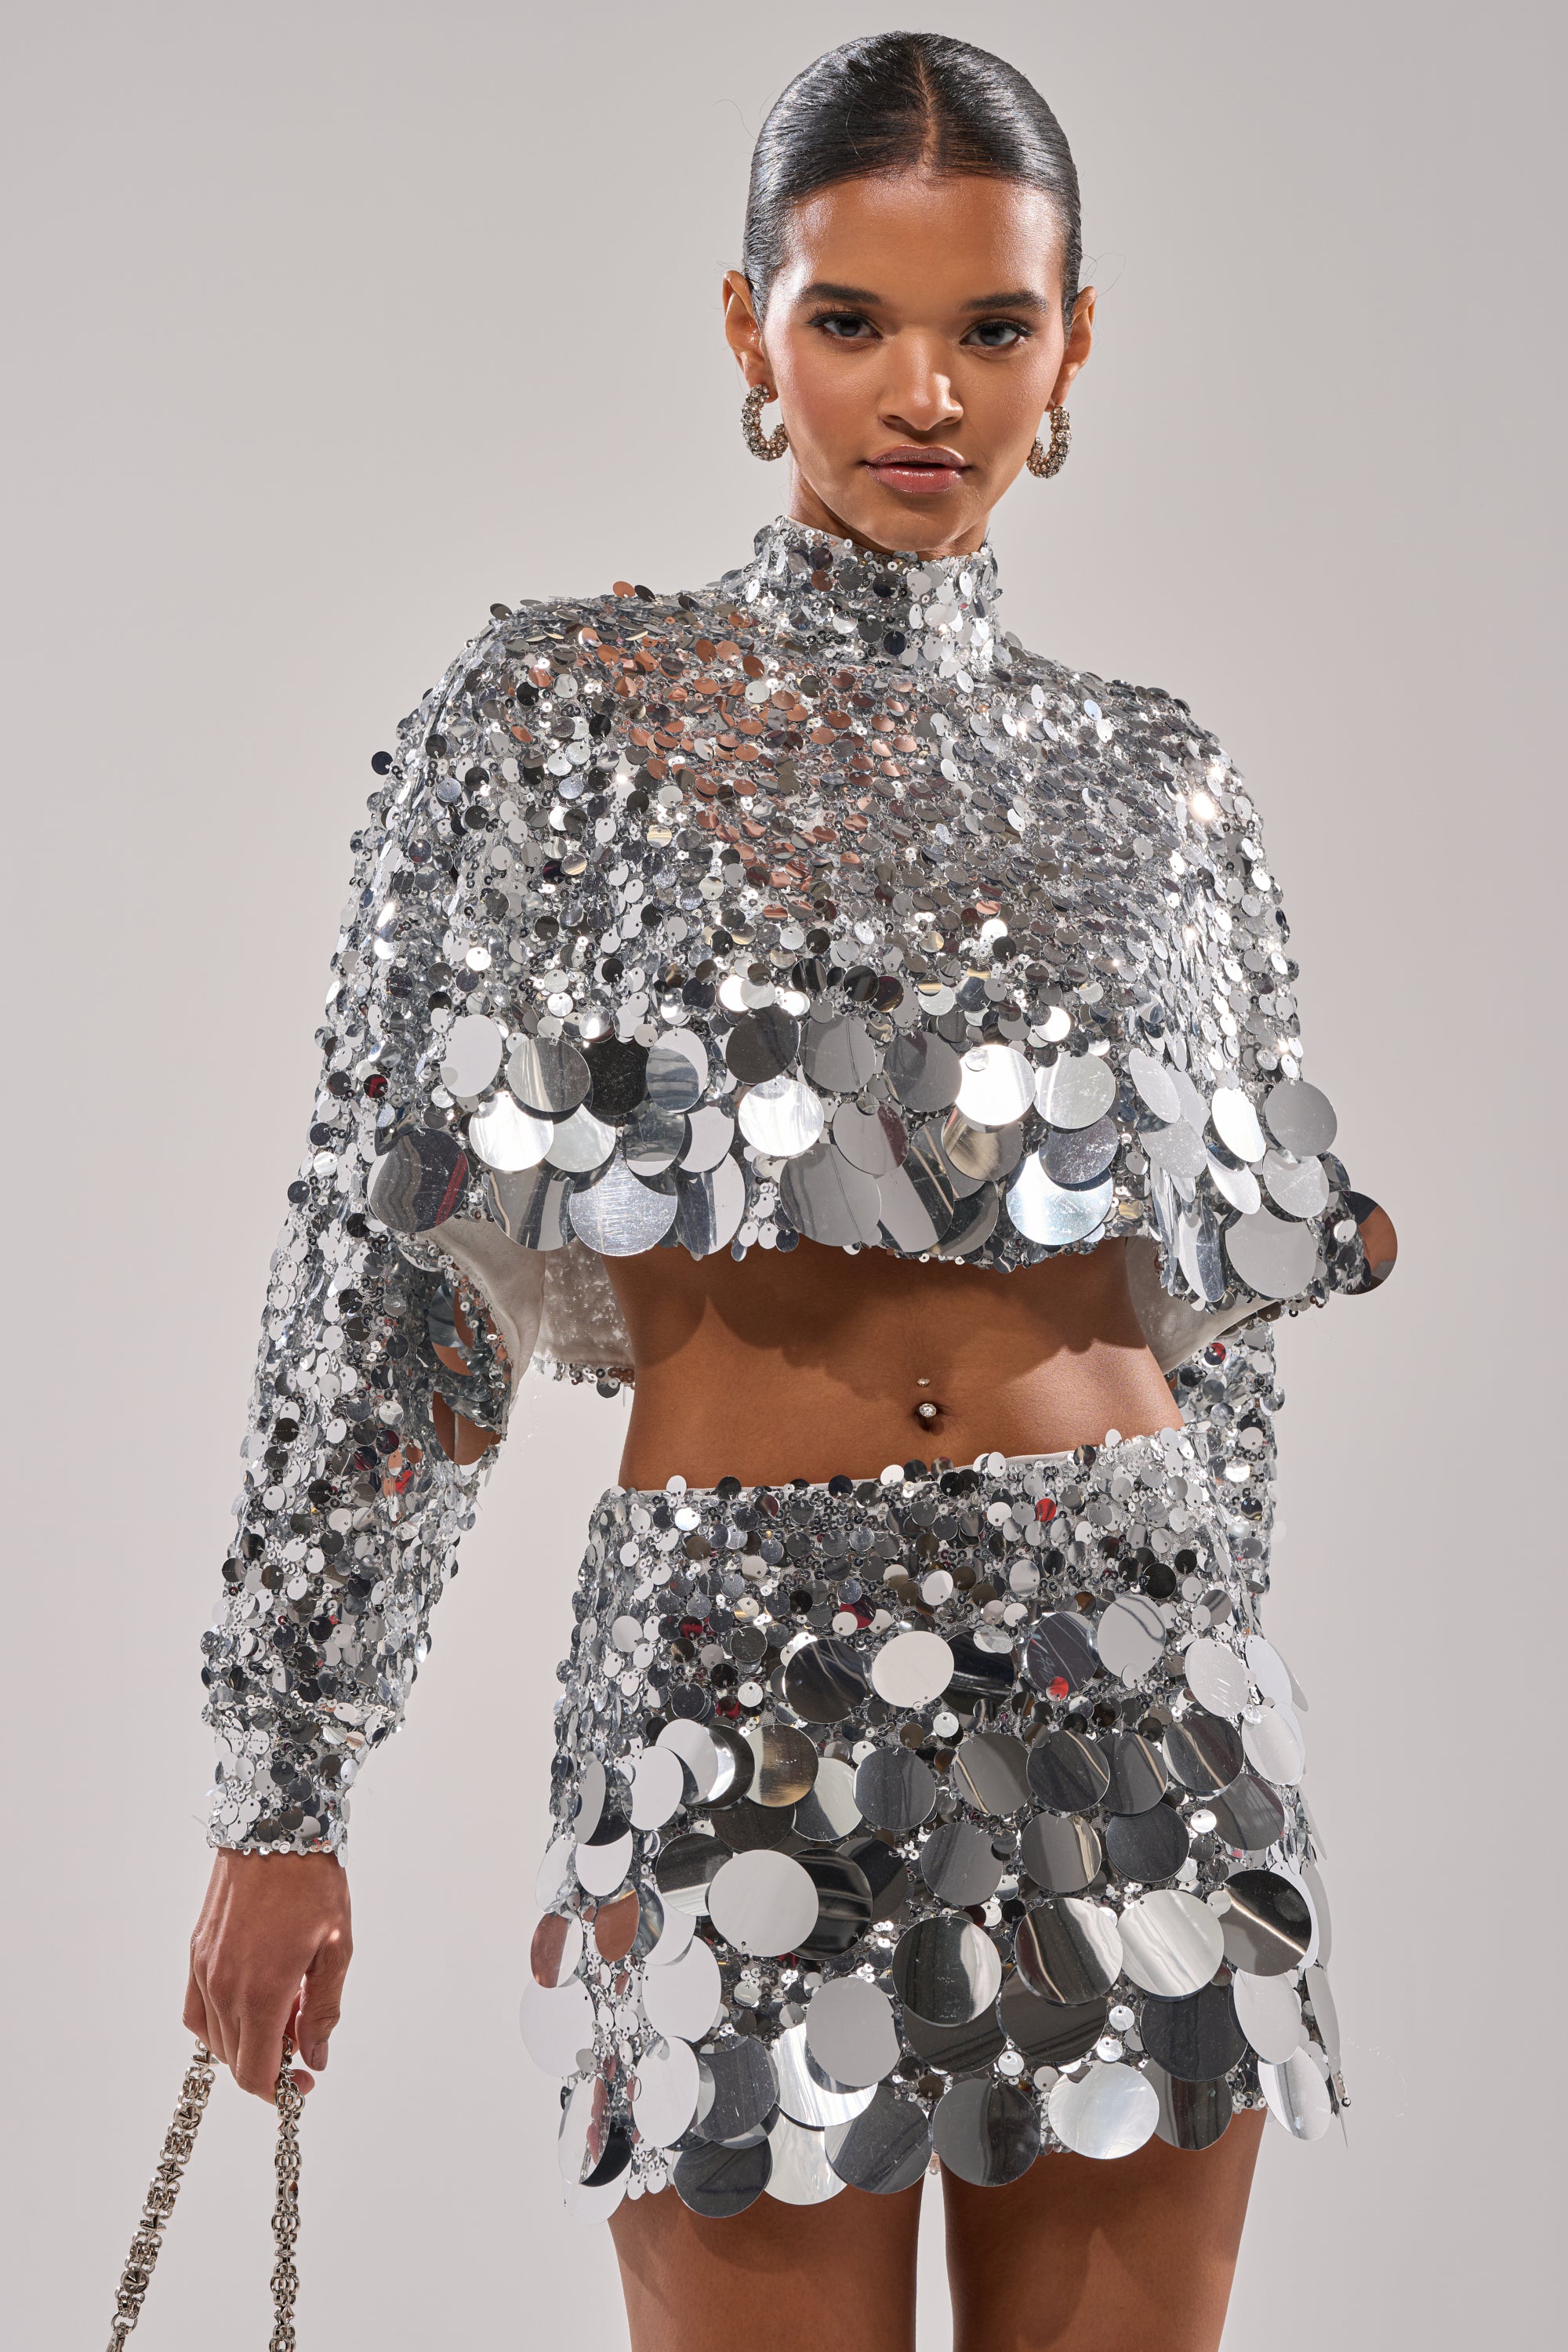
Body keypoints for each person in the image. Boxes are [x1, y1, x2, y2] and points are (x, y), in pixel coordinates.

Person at [184, 31, 1395, 2352]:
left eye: (992, 327)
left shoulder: (1165, 785)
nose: (923, 392)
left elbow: (1216, 1337)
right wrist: (285, 1777)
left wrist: (1220, 1653)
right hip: (728, 1705)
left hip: (1134, 1719)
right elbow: (391, 1278)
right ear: (750, 327)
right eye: (852, 321)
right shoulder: (554, 720)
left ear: (1076, 344)